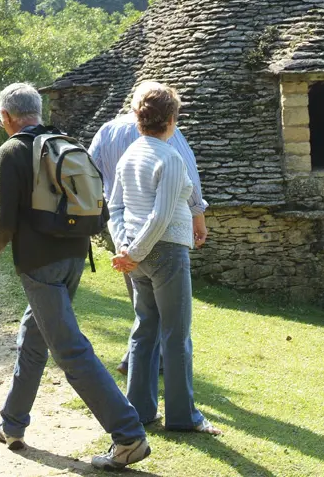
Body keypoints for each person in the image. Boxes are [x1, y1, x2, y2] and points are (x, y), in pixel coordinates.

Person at [0, 83, 151, 471]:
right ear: (38, 110)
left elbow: (3, 220)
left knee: (69, 349)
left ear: (6, 117)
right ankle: (12, 424)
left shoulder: (12, 151)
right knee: (34, 336)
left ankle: (128, 434)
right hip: (74, 256)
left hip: (39, 264)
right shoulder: (68, 143)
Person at [107, 82, 222, 436]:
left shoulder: (130, 154)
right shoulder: (169, 156)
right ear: (171, 120)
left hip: (137, 257)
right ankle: (183, 417)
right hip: (166, 252)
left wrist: (125, 249)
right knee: (176, 335)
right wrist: (134, 251)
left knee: (145, 330)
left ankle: (140, 411)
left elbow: (114, 207)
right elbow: (160, 217)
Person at [89, 82, 208, 375]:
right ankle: (164, 370)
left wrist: (119, 242)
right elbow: (186, 173)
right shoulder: (169, 137)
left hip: (125, 231)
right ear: (167, 115)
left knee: (143, 309)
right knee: (170, 317)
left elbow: (90, 172)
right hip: (162, 233)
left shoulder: (107, 131)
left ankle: (135, 364)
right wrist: (198, 215)